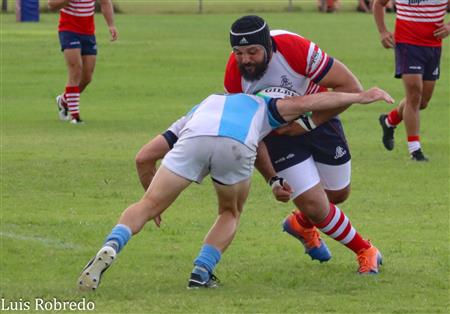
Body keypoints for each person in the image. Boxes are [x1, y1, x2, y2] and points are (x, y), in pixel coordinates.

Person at [78, 88, 393, 291]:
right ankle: (201, 272)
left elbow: (143, 157)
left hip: (195, 138)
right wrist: (358, 96)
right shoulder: (266, 104)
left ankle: (112, 245)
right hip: (237, 144)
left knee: (145, 205)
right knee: (229, 212)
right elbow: (311, 102)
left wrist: (155, 205)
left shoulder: (201, 106)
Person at [224, 15, 383, 274]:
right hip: (279, 136)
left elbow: (351, 87)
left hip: (320, 118)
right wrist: (272, 179)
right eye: (238, 52)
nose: (245, 60)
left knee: (338, 194)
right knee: (315, 204)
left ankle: (301, 224)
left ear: (268, 46)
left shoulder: (295, 49)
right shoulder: (235, 76)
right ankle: (365, 249)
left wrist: (308, 124)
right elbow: (249, 131)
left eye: (252, 51)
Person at [373, 0, 449, 161]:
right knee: (414, 95)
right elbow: (378, 4)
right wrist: (383, 32)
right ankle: (415, 150)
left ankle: (389, 120)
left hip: (433, 47)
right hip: (407, 45)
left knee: (422, 101)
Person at [48, 0, 118, 124]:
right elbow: (51, 5)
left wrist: (111, 25)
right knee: (76, 69)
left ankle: (64, 100)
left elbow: (105, 3)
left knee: (87, 77)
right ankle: (75, 117)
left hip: (88, 33)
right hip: (68, 30)